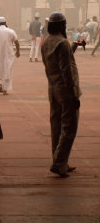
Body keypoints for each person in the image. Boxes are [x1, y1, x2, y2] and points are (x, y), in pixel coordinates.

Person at [41, 12, 83, 177]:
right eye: (64, 25)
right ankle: (59, 162)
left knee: (56, 126)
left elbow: (58, 60)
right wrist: (73, 95)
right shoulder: (62, 42)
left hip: (53, 88)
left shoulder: (47, 42)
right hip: (65, 91)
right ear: (61, 26)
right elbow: (66, 71)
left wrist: (74, 46)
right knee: (69, 127)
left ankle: (60, 161)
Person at [0, 16, 20, 95]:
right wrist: (18, 51)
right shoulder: (11, 31)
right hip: (8, 54)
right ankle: (5, 89)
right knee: (8, 71)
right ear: (5, 23)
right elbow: (17, 42)